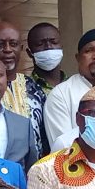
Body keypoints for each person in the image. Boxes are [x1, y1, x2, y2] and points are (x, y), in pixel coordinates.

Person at [0, 20, 42, 161]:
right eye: (0, 44)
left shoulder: (34, 87)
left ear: (21, 48)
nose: (8, 49)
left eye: (13, 44)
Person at [24, 22, 67, 157]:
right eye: (40, 44)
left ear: (61, 46)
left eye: (53, 42)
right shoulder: (23, 90)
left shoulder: (73, 87)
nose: (48, 47)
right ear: (30, 53)